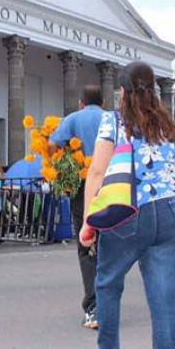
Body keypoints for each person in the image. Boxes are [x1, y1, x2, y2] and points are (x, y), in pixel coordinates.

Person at [80, 62, 175, 349]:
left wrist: (89, 220)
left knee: (108, 282)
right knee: (164, 298)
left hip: (130, 212)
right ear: (152, 89)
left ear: (122, 91)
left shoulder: (114, 120)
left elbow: (97, 171)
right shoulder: (167, 122)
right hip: (169, 210)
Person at [49, 85, 105, 330]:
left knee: (87, 244)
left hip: (84, 186)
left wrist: (66, 160)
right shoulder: (111, 119)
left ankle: (94, 308)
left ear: (82, 102)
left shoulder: (73, 119)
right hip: (114, 186)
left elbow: (52, 145)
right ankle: (109, 300)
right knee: (110, 245)